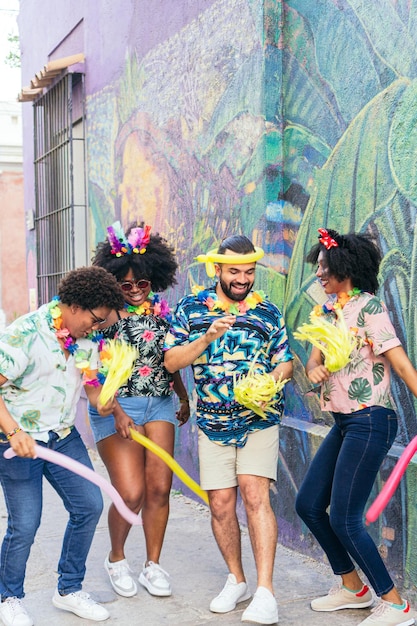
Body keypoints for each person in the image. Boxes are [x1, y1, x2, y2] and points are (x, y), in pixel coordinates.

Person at [163, 235, 293, 625]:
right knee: (220, 504)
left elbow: (286, 361)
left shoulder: (268, 311)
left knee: (256, 497)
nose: (242, 279)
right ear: (217, 269)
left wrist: (271, 379)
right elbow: (170, 362)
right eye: (234, 271)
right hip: (212, 423)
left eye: (249, 272)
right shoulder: (191, 309)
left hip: (259, 419)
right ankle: (237, 579)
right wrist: (207, 337)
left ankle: (265, 591)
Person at [295, 228, 417, 626]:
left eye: (324, 267)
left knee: (345, 518)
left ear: (345, 268)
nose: (319, 275)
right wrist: (317, 370)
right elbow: (313, 364)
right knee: (309, 505)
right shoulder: (325, 313)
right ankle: (352, 587)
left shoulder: (369, 309)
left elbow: (398, 363)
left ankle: (396, 603)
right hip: (345, 423)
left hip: (371, 420)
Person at [0, 266, 126, 626]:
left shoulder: (83, 338)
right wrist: (12, 431)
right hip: (18, 442)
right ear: (73, 306)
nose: (96, 328)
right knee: (25, 523)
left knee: (89, 505)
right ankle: (8, 596)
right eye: (95, 320)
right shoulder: (26, 334)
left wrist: (105, 402)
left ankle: (69, 589)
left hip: (62, 436)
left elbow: (90, 387)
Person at [88, 221, 190, 599]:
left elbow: (168, 361)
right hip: (118, 406)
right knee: (130, 492)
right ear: (113, 281)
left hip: (160, 403)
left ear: (154, 281)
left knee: (159, 488)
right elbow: (90, 373)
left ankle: (153, 565)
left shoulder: (164, 313)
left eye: (141, 284)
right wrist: (114, 411)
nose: (133, 291)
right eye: (125, 285)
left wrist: (182, 396)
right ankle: (116, 558)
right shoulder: (102, 317)